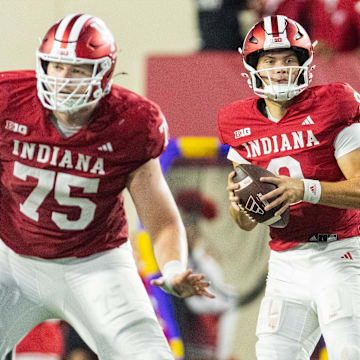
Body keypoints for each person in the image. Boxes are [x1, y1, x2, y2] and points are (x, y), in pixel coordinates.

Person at [0, 13, 214, 360]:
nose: (63, 80)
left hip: (94, 264)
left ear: (103, 74)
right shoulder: (8, 100)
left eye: (77, 70)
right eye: (56, 67)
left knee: (149, 354)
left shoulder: (131, 123)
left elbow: (160, 217)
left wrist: (173, 268)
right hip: (12, 258)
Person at [218, 14, 360, 359]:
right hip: (285, 261)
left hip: (341, 253)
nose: (280, 68)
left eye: (289, 60)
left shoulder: (334, 104)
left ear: (305, 64)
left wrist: (305, 189)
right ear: (254, 65)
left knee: (347, 350)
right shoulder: (237, 122)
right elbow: (246, 222)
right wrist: (240, 206)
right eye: (270, 60)